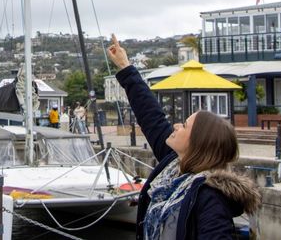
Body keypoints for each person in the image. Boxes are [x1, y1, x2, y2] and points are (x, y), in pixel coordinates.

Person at [107, 34, 261, 240]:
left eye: (185, 125)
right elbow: (151, 115)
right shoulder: (174, 166)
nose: (177, 126)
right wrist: (125, 67)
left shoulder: (210, 197)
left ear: (198, 143)